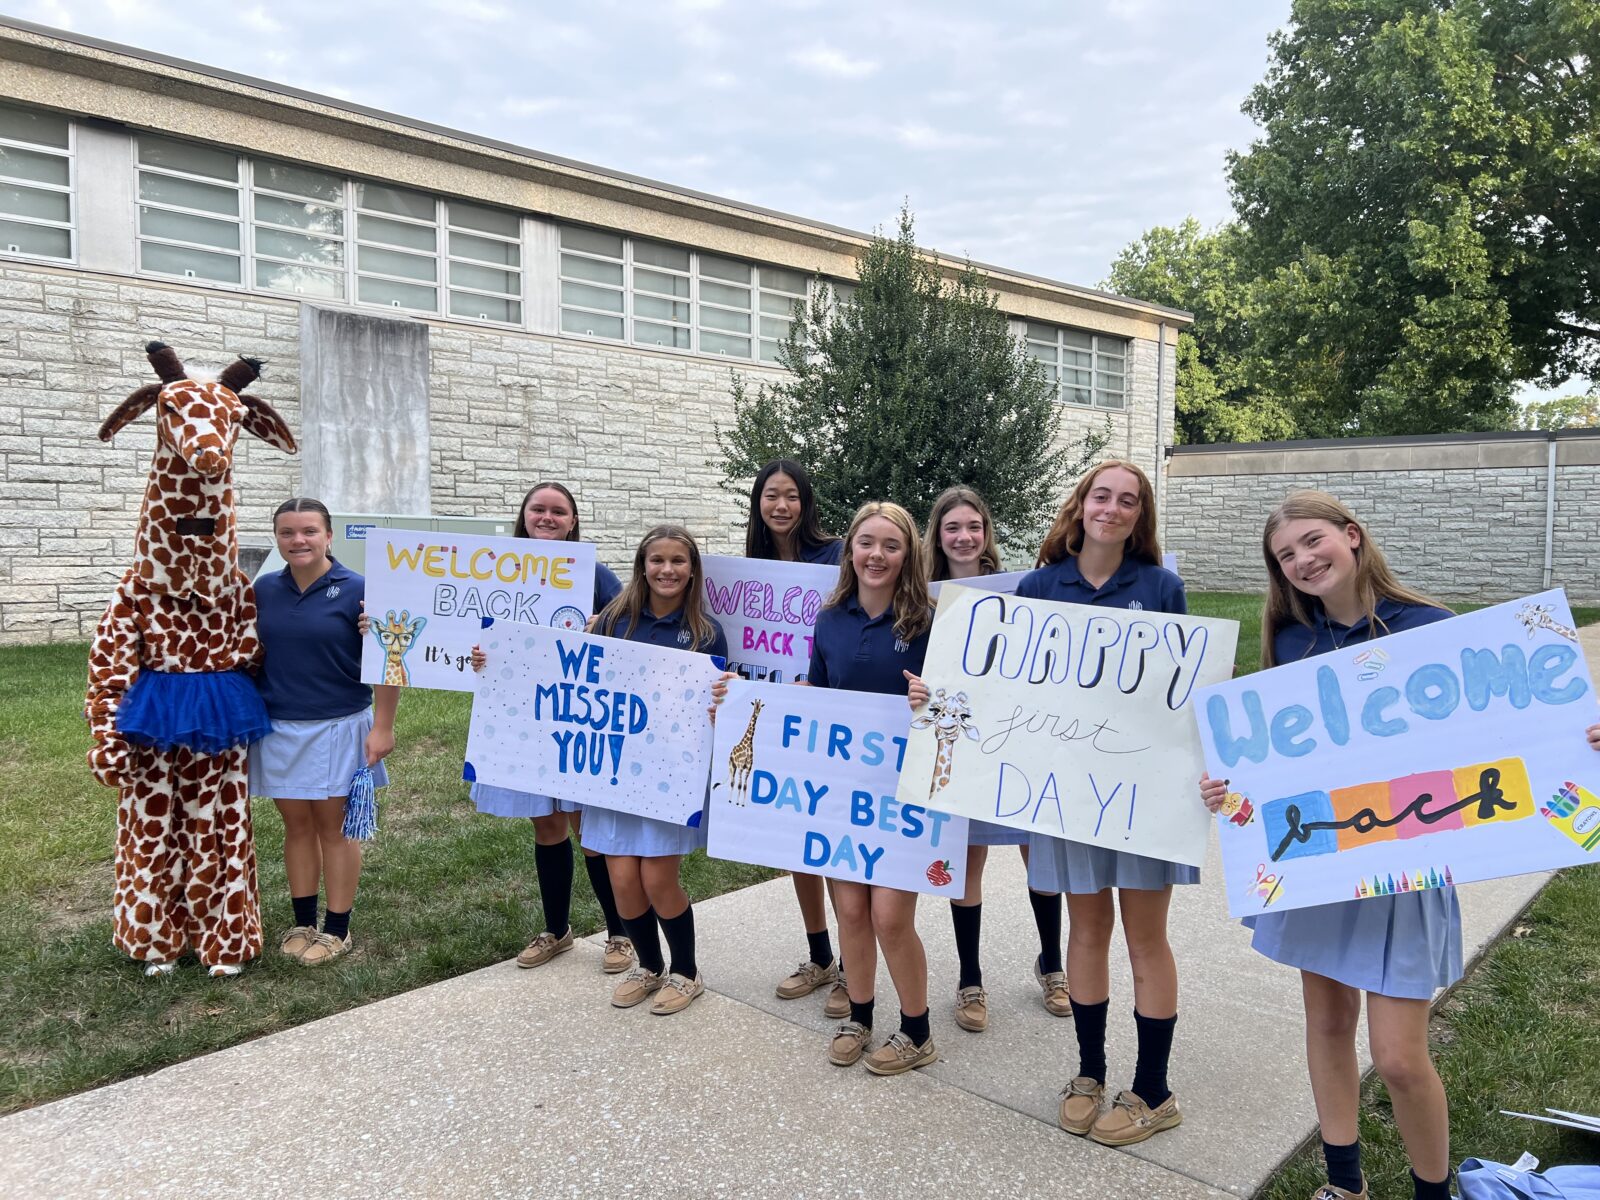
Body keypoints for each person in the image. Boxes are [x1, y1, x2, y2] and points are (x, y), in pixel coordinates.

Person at [1200, 490, 1600, 1200]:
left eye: (1312, 541)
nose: (1302, 561)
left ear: (1352, 536)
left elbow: (1503, 731)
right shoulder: (1292, 640)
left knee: (1399, 1059)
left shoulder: (1431, 629)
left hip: (1408, 870)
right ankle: (1344, 1183)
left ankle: (1431, 1194)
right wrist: (1229, 790)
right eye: (1285, 556)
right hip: (1321, 863)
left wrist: (1577, 744)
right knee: (1326, 1023)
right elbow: (1275, 765)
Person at [1017, 461, 1191, 1146]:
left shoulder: (1161, 588)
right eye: (1102, 496)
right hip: (1066, 791)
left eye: (1128, 500)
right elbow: (1009, 687)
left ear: (1139, 516)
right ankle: (1089, 1071)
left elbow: (1182, 692)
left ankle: (1153, 1089)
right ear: (1080, 504)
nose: (1112, 509)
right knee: (1086, 933)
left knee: (1147, 939)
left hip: (1142, 793)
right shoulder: (1038, 587)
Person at [467, 482, 632, 976]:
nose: (547, 517)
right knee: (547, 824)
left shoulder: (595, 574)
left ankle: (620, 933)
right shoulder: (499, 569)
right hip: (521, 714)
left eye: (558, 511)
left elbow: (631, 631)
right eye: (538, 509)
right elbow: (468, 630)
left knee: (589, 826)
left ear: (573, 521)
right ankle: (557, 930)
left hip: (577, 711)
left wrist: (603, 621)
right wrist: (475, 653)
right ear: (523, 516)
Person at [923, 486, 1068, 1033]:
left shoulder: (1021, 591)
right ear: (937, 536)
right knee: (967, 864)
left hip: (1022, 741)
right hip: (961, 745)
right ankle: (969, 978)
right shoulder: (923, 598)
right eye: (953, 528)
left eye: (974, 527)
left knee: (1042, 859)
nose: (964, 537)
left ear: (987, 534)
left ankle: (1053, 964)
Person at [805, 501, 937, 1074]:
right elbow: (813, 694)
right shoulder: (829, 618)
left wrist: (933, 701)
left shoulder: (930, 621)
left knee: (890, 917)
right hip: (841, 789)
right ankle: (859, 1015)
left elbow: (960, 709)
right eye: (866, 542)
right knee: (851, 911)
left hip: (904, 794)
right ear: (849, 550)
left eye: (891, 545)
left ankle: (917, 1031)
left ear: (908, 554)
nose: (876, 555)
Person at [579, 525, 729, 1015]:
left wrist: (721, 703)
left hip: (670, 775)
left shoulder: (705, 632)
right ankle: (649, 965)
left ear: (692, 569)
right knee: (623, 880)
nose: (667, 570)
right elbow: (576, 677)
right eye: (657, 560)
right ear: (642, 564)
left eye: (678, 561)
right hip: (615, 770)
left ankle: (686, 971)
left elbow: (716, 703)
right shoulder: (613, 620)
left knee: (659, 881)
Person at [250, 497, 399, 966]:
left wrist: (383, 725)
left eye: (310, 531)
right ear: (277, 538)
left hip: (339, 726)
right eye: (288, 533)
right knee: (296, 826)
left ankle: (337, 929)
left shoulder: (360, 590)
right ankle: (303, 921)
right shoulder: (262, 590)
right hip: (278, 728)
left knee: (334, 829)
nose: (299, 541)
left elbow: (389, 662)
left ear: (329, 536)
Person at [741, 459, 849, 1019]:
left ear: (806, 503)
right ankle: (820, 955)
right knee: (796, 845)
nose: (780, 506)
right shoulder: (746, 569)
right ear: (758, 503)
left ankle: (854, 965)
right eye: (770, 496)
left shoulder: (835, 556)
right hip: (773, 717)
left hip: (828, 713)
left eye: (790, 496)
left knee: (829, 840)